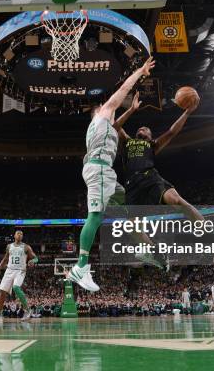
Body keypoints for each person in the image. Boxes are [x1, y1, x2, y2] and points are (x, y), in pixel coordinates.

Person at [67, 57, 156, 292]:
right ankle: (81, 267)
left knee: (128, 205)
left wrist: (132, 110)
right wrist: (140, 71)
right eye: (112, 109)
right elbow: (124, 88)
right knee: (95, 216)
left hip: (104, 173)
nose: (115, 111)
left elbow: (116, 126)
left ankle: (144, 249)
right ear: (102, 109)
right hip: (100, 170)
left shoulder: (101, 126)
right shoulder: (104, 112)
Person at [115, 91, 203, 221]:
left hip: (150, 177)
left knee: (176, 200)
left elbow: (172, 132)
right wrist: (132, 109)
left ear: (150, 136)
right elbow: (115, 126)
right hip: (131, 184)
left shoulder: (153, 144)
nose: (142, 128)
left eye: (145, 129)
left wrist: (187, 112)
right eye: (140, 128)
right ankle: (149, 243)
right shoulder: (127, 141)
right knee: (132, 225)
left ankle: (209, 230)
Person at [0, 230, 38, 322]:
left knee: (16, 287)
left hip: (20, 271)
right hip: (9, 270)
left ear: (22, 236)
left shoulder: (26, 247)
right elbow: (5, 259)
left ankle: (27, 311)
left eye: (21, 234)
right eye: (18, 233)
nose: (20, 235)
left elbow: (36, 258)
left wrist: (32, 261)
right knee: (2, 291)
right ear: (14, 236)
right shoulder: (9, 246)